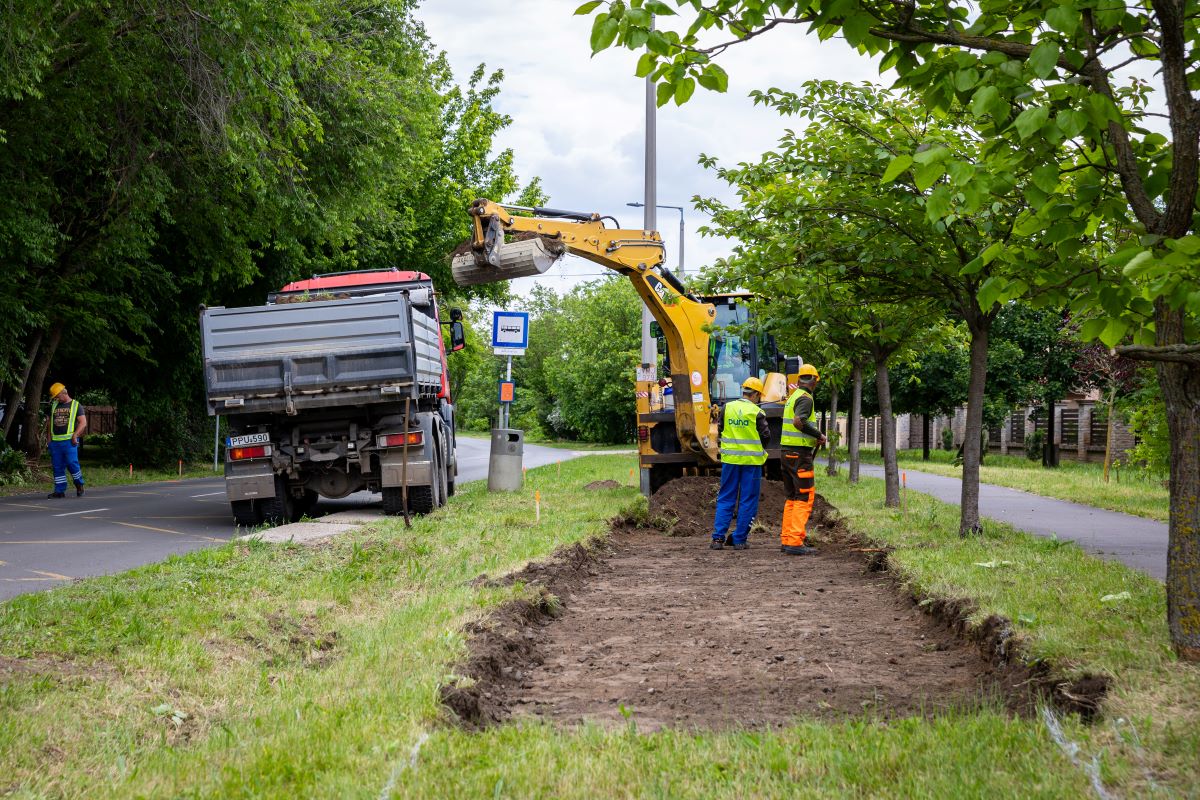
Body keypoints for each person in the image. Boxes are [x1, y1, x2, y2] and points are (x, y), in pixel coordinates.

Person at [711, 376, 770, 551]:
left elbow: (720, 430)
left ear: (744, 391)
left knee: (725, 498)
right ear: (757, 394)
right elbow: (766, 436)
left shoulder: (727, 407)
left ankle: (718, 539)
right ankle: (739, 539)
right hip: (751, 462)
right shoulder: (757, 412)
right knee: (748, 500)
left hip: (730, 461)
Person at [780, 364, 827, 555]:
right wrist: (819, 435)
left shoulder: (792, 398)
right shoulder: (806, 399)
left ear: (799, 380)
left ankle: (787, 539)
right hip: (799, 456)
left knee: (792, 497)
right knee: (804, 496)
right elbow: (799, 421)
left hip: (787, 453)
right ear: (814, 381)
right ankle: (795, 542)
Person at [45, 382, 86, 498]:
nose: (56, 398)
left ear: (63, 393)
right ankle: (59, 490)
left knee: (72, 464)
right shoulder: (53, 405)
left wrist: (75, 435)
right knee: (57, 466)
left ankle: (79, 484)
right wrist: (48, 439)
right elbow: (49, 423)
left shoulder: (76, 405)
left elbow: (83, 423)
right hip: (55, 443)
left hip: (69, 442)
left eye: (57, 396)